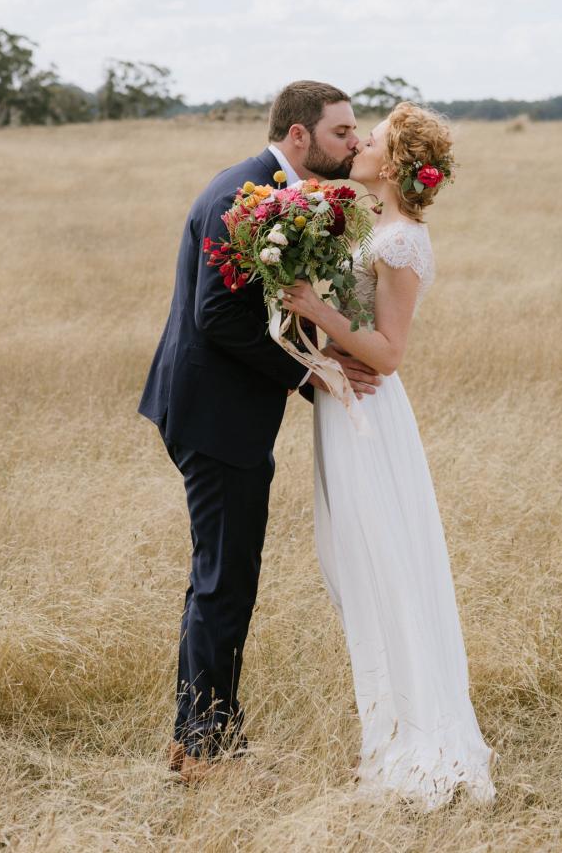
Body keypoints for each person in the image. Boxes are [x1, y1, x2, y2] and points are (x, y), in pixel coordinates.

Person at [138, 81, 382, 784]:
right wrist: (311, 374)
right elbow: (217, 317)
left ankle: (201, 737)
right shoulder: (238, 197)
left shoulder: (281, 191)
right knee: (224, 582)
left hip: (229, 412)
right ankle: (206, 748)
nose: (354, 143)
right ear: (300, 135)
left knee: (223, 577)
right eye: (342, 132)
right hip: (213, 416)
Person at [282, 101, 496, 809]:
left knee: (386, 570)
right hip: (344, 407)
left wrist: (317, 312)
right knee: (359, 567)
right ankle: (386, 729)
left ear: (396, 162)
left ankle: (417, 741)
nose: (356, 144)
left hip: (370, 415)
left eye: (368, 139)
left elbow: (390, 353)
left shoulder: (402, 242)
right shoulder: (374, 223)